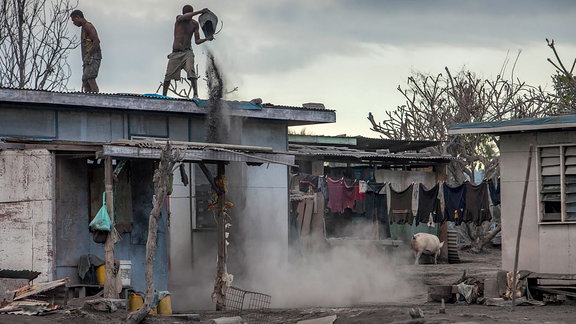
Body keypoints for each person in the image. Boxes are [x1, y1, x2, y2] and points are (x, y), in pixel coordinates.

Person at [162, 5, 214, 98]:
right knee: (168, 75)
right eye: (187, 13)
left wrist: (207, 38)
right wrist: (200, 12)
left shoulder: (194, 24)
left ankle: (195, 94)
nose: (188, 15)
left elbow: (197, 41)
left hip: (187, 52)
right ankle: (163, 96)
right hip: (176, 53)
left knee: (191, 71)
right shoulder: (179, 19)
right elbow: (185, 17)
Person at [70, 10, 102, 93]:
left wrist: (89, 55)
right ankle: (87, 98)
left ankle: (95, 97)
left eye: (74, 20)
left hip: (93, 57)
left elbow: (96, 41)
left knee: (90, 77)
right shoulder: (84, 28)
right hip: (87, 58)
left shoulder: (88, 26)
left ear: (78, 17)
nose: (74, 23)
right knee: (85, 80)